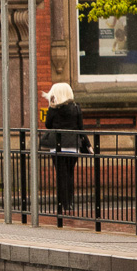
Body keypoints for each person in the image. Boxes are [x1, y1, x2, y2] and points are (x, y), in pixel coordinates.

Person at [43, 82, 84, 212]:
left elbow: (48, 125)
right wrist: (87, 145)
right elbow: (80, 128)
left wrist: (51, 106)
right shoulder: (76, 108)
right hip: (73, 146)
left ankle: (62, 203)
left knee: (61, 175)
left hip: (58, 147)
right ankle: (70, 202)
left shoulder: (54, 110)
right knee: (70, 174)